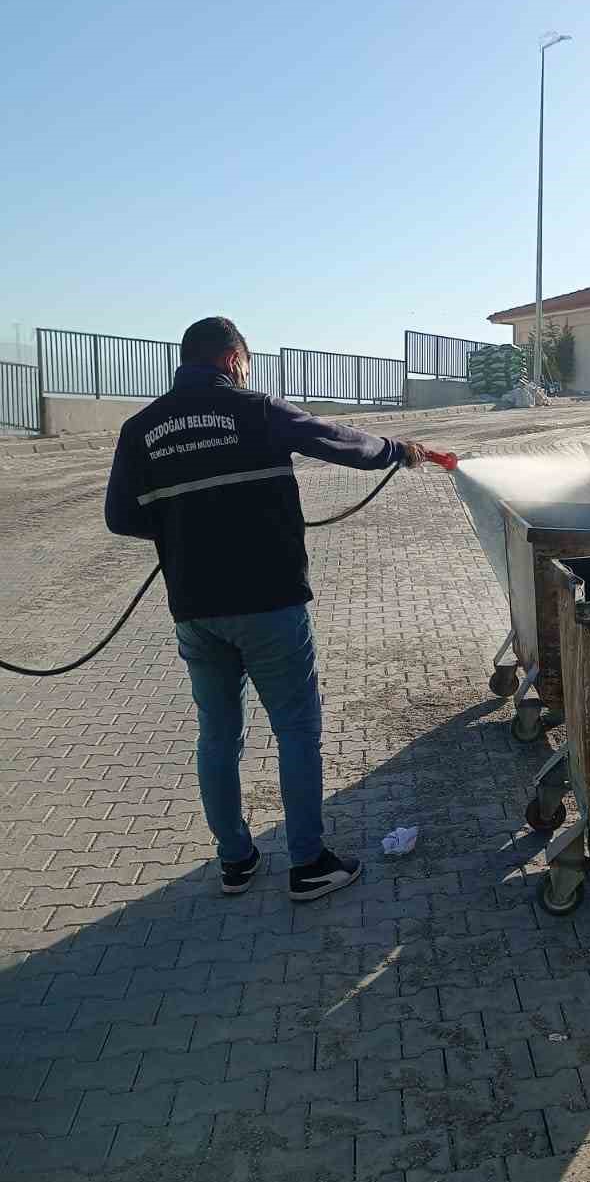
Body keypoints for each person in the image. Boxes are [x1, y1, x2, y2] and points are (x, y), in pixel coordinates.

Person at [104, 316, 427, 902]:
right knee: (297, 730)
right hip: (268, 602)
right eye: (246, 363)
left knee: (218, 736)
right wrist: (398, 451)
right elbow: (334, 440)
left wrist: (183, 528)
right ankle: (308, 865)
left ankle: (236, 860)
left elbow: (121, 518)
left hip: (196, 610)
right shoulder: (255, 409)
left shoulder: (139, 429)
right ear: (232, 360)